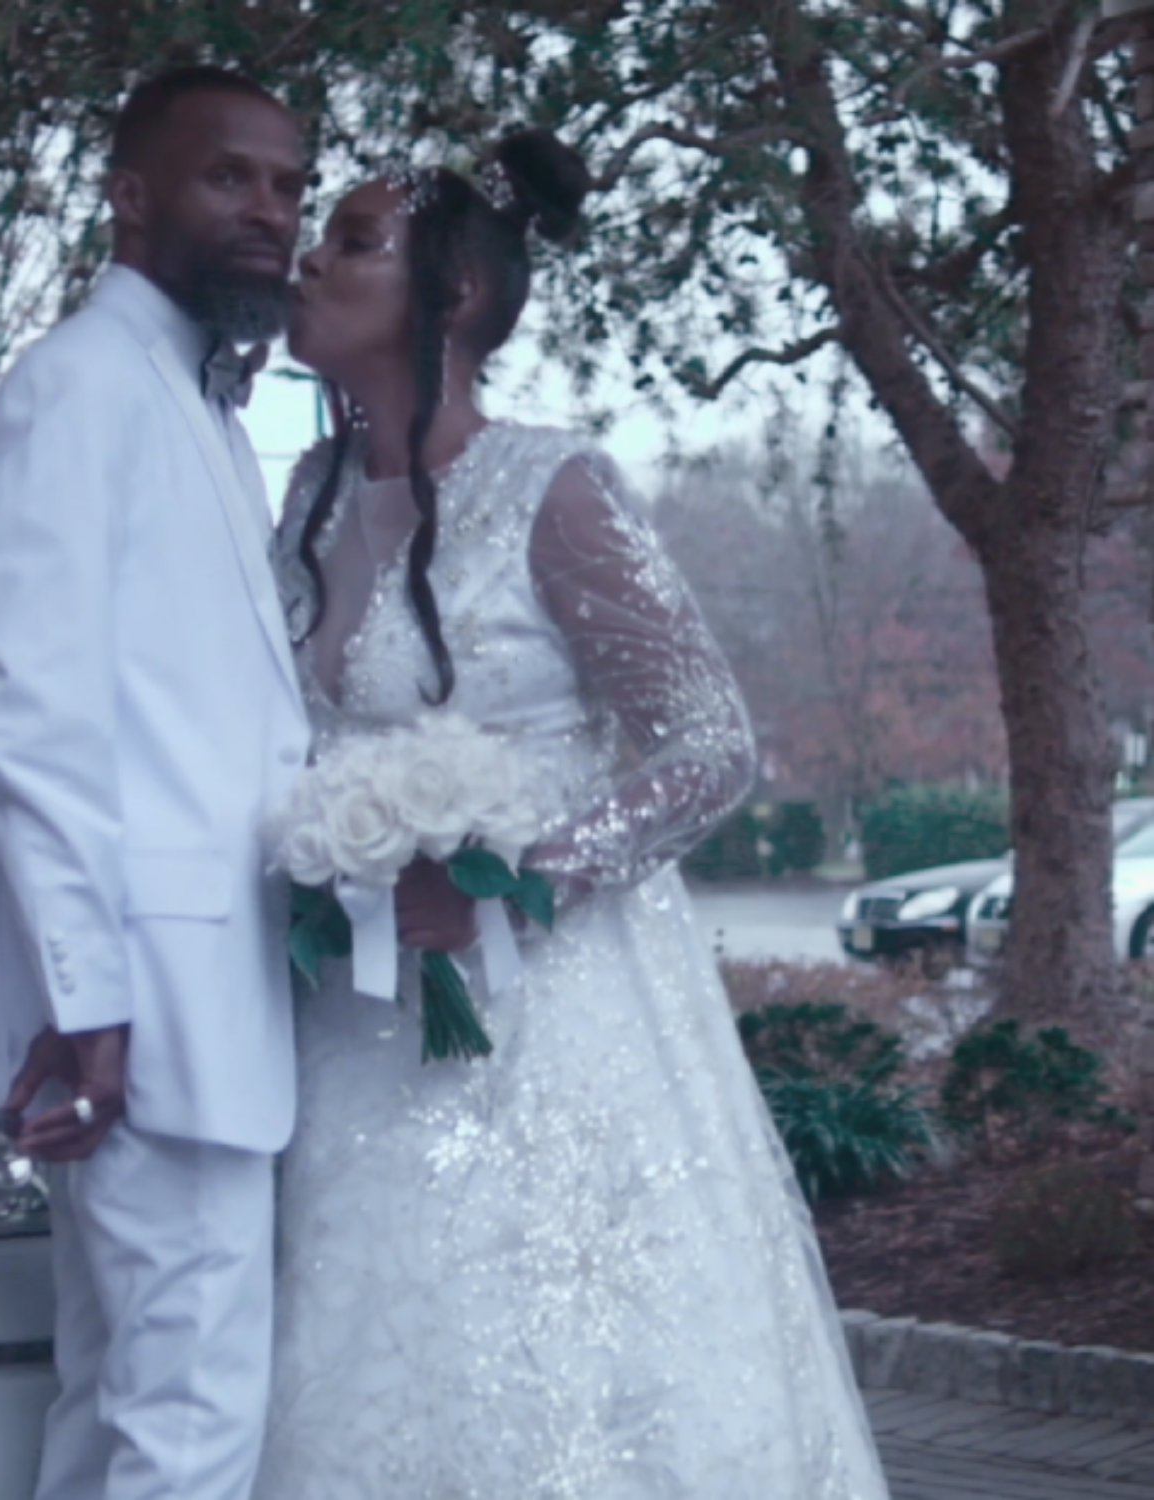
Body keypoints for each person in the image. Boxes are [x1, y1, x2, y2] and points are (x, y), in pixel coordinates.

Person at [254, 131, 892, 1498]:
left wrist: (513, 876)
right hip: (351, 1029)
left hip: (553, 1016)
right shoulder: (302, 498)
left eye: (354, 241)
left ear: (456, 302)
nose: (310, 259)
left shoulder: (556, 486)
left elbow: (714, 746)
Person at [0, 67, 311, 1500]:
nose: (270, 209)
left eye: (287, 184)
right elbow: (29, 707)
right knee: (188, 1421)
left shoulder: (192, 403)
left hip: (182, 1005)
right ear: (131, 195)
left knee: (112, 1404)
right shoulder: (78, 385)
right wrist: (85, 1000)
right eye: (231, 177)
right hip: (151, 1014)